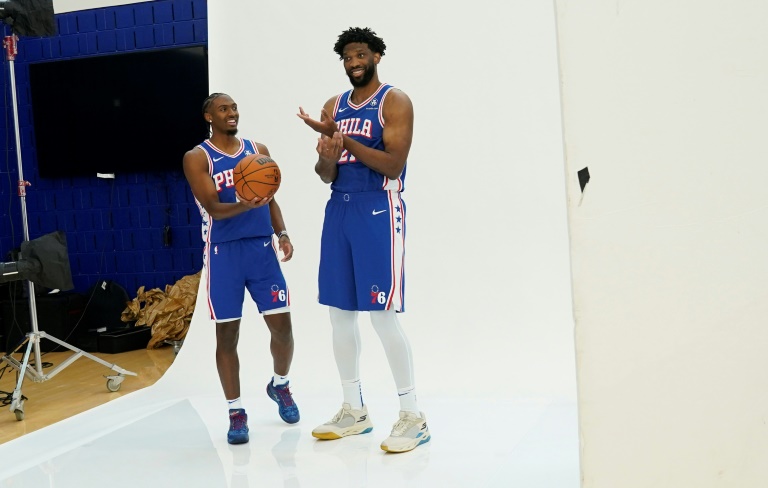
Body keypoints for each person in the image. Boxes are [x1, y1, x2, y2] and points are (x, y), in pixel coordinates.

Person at [298, 27, 430, 453]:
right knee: (339, 313)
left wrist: (343, 137)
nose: (353, 61)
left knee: (382, 315)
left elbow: (393, 164)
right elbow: (325, 175)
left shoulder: (394, 100)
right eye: (346, 57)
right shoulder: (332, 105)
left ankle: (413, 416)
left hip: (378, 208)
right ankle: (354, 410)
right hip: (340, 207)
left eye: (360, 54)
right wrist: (327, 155)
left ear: (376, 56)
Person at [184, 93, 300, 445]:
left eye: (234, 108)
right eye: (223, 109)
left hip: (262, 250)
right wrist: (246, 204)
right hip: (224, 255)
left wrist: (282, 233)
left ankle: (280, 385)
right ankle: (236, 412)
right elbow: (214, 208)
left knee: (282, 328)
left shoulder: (256, 148)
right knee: (227, 337)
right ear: (208, 116)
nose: (231, 113)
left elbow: (271, 196)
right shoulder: (197, 157)